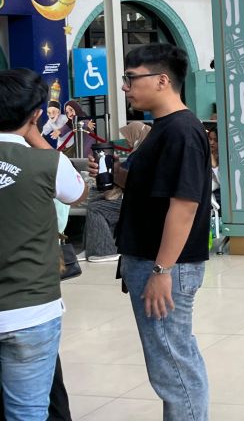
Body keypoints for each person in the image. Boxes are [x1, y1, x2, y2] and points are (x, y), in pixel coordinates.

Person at [103, 44, 211, 420]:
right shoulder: (161, 129)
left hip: (165, 264)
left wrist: (162, 270)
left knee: (174, 369)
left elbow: (184, 205)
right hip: (152, 260)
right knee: (172, 360)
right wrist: (120, 175)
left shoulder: (181, 131)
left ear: (162, 80)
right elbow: (157, 189)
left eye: (131, 78)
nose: (125, 87)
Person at [0, 70, 86, 421]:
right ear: (36, 114)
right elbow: (77, 192)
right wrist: (34, 135)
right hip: (31, 310)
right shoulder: (50, 162)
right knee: (28, 412)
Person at [84, 122, 151, 264]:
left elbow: (131, 181)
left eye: (128, 136)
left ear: (136, 135)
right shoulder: (141, 151)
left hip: (138, 203)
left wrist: (112, 171)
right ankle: (91, 247)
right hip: (136, 200)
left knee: (95, 208)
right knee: (95, 202)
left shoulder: (140, 154)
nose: (127, 141)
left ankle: (105, 251)